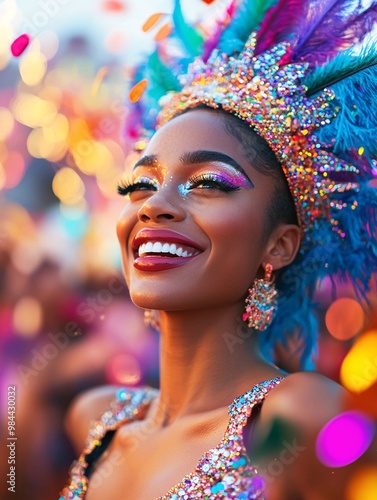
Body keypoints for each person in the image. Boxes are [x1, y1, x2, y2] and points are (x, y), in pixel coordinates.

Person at [59, 0, 377, 498]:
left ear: (278, 245)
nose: (154, 206)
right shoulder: (97, 419)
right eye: (140, 184)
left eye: (207, 182)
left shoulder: (298, 419)